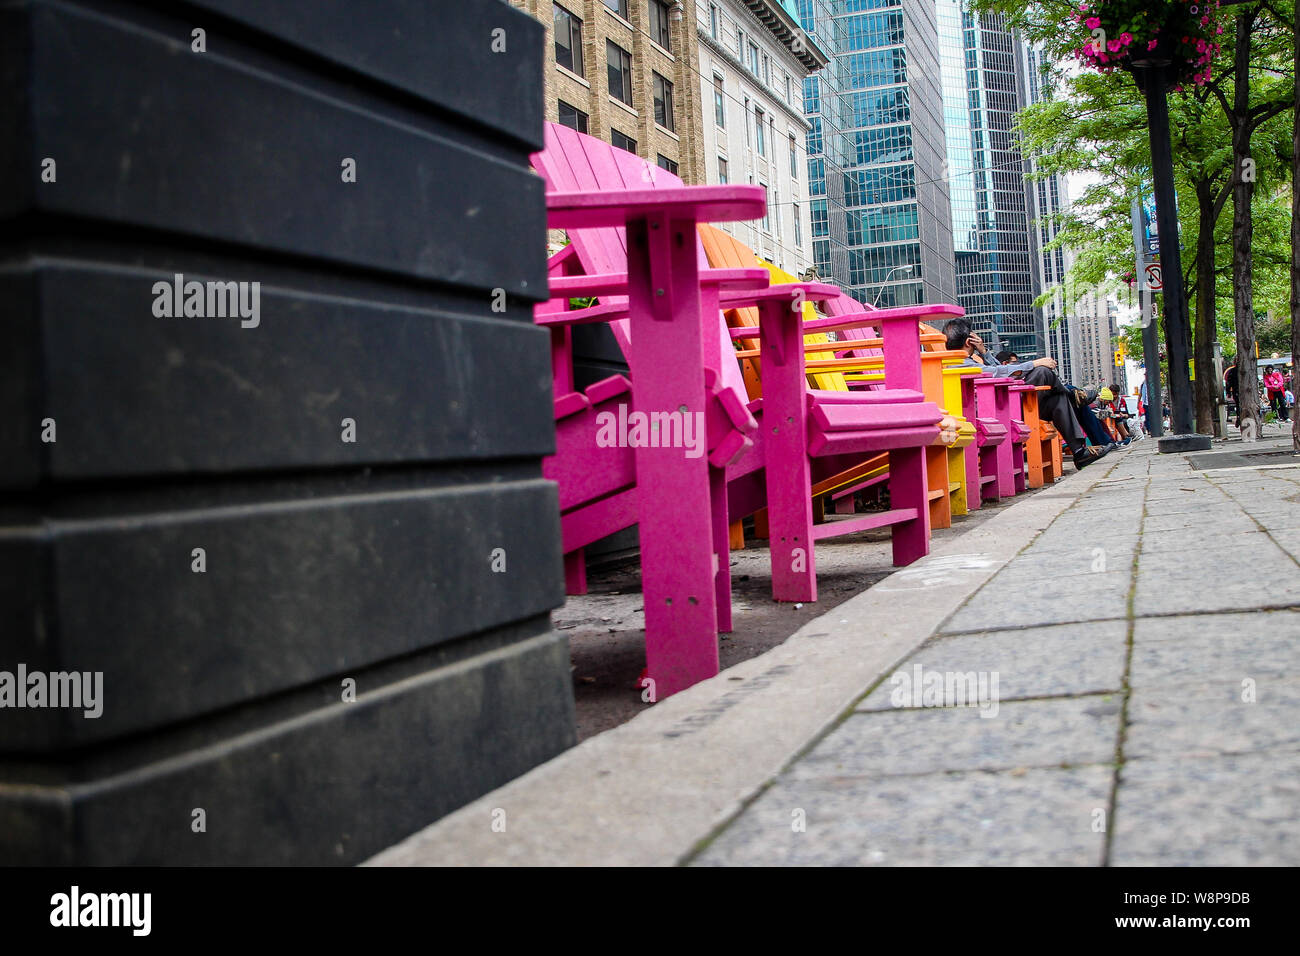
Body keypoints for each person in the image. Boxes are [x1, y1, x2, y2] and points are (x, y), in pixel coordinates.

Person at [943, 319, 1109, 469]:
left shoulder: (967, 360)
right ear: (968, 341)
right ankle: (1073, 395)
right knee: (1042, 371)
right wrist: (1034, 363)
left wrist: (984, 352)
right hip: (996, 410)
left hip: (1004, 403)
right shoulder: (957, 364)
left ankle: (1079, 452)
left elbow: (997, 370)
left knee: (1057, 399)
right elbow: (998, 372)